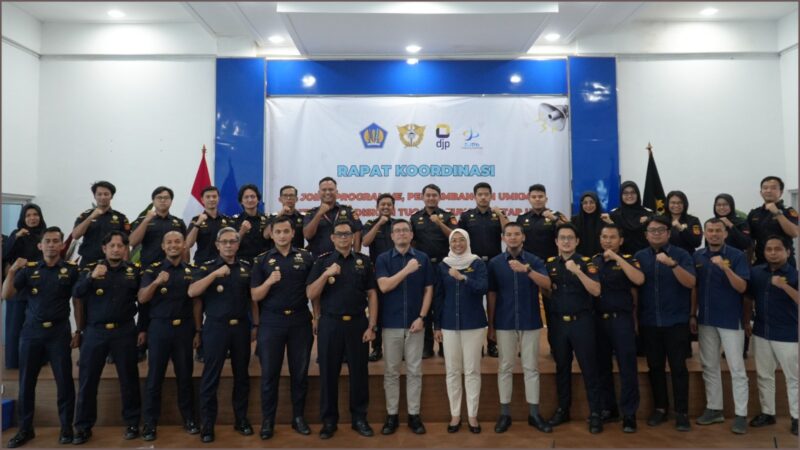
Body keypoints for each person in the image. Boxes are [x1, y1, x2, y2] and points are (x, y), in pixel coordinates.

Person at [3, 227, 79, 448]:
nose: (51, 245)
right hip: (32, 333)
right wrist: (11, 271)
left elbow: (78, 301)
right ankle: (25, 429)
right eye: (47, 241)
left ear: (62, 245)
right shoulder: (29, 270)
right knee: (26, 383)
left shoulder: (71, 270)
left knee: (64, 382)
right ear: (40, 245)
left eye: (56, 241)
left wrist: (79, 330)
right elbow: (6, 294)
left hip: (58, 333)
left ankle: (66, 428)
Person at [306, 221, 378, 439]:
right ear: (333, 238)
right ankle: (329, 421)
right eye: (340, 234)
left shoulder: (363, 261)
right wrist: (325, 274)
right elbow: (311, 293)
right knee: (328, 374)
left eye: (348, 234)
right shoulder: (322, 262)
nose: (344, 237)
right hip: (330, 323)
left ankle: (359, 418)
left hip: (358, 324)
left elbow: (372, 294)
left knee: (359, 373)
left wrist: (372, 325)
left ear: (353, 237)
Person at [71, 231, 144, 445]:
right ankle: (83, 427)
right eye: (112, 245)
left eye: (120, 246)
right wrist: (91, 277)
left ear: (125, 249)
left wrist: (142, 329)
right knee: (88, 381)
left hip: (125, 331)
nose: (116, 249)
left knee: (129, 380)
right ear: (104, 248)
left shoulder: (133, 271)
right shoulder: (90, 269)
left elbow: (144, 302)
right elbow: (77, 293)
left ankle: (132, 423)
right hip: (95, 332)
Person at [188, 227, 254, 443]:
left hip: (241, 328)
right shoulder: (207, 267)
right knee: (210, 377)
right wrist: (214, 274)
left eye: (232, 241)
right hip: (216, 328)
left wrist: (256, 325)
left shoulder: (246, 267)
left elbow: (252, 299)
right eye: (224, 242)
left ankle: (241, 419)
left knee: (242, 376)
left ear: (238, 244)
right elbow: (192, 292)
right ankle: (207, 425)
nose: (228, 245)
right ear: (217, 245)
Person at [251, 216, 315, 439]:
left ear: (292, 233)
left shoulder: (306, 257)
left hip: (300, 321)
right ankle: (268, 421)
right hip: (272, 322)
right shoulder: (261, 260)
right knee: (269, 374)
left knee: (300, 374)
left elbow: (313, 292)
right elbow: (255, 295)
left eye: (286, 231)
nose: (282, 235)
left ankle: (298, 418)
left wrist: (317, 317)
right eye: (277, 231)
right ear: (271, 234)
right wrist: (269, 282)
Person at [487, 223, 552, 434]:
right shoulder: (495, 263)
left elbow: (547, 284)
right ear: (503, 238)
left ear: (523, 237)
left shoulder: (535, 260)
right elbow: (492, 295)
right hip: (504, 322)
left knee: (531, 367)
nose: (513, 237)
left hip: (530, 321)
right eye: (509, 234)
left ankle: (534, 414)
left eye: (517, 234)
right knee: (505, 367)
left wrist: (528, 270)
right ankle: (504, 414)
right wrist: (491, 325)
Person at [635, 216, 696, 432]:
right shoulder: (640, 256)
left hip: (676, 321)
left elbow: (691, 282)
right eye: (652, 230)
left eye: (661, 230)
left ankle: (682, 412)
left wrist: (673, 264)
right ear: (646, 235)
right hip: (649, 321)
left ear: (669, 233)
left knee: (679, 368)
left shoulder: (681, 254)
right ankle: (660, 408)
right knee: (655, 367)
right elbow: (635, 290)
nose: (656, 233)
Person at [138, 231, 199, 441]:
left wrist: (198, 331)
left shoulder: (192, 271)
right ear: (163, 246)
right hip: (159, 329)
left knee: (185, 377)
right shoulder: (152, 270)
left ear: (183, 245)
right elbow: (142, 299)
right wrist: (156, 282)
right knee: (154, 378)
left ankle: (189, 419)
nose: (173, 245)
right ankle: (150, 423)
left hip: (184, 329)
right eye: (169, 242)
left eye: (177, 242)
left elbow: (197, 304)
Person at [374, 219, 433, 435]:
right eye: (397, 231)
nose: (401, 234)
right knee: (391, 371)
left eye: (405, 230)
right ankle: (392, 416)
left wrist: (422, 317)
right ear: (391, 236)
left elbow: (428, 289)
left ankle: (414, 415)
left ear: (411, 234)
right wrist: (407, 270)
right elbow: (384, 286)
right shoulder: (383, 259)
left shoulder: (423, 258)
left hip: (415, 324)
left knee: (414, 371)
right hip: (391, 323)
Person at [691, 218, 750, 434]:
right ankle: (714, 409)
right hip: (706, 319)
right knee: (709, 366)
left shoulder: (737, 256)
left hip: (730, 320)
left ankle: (741, 415)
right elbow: (694, 288)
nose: (714, 234)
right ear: (705, 233)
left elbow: (742, 287)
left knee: (737, 368)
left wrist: (726, 268)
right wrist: (693, 314)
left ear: (725, 233)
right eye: (710, 230)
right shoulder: (698, 256)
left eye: (718, 230)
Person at [544, 223, 604, 434]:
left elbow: (596, 290)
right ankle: (563, 409)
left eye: (570, 237)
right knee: (562, 368)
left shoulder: (587, 263)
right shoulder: (550, 264)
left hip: (582, 322)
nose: (566, 241)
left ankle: (595, 413)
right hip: (558, 324)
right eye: (562, 238)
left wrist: (577, 271)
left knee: (589, 368)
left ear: (577, 241)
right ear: (556, 242)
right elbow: (547, 292)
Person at [433, 229, 488, 434]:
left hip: (473, 324)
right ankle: (455, 414)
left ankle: (472, 415)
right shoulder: (443, 265)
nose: (457, 244)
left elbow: (482, 288)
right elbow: (438, 296)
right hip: (448, 324)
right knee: (452, 371)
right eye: (454, 240)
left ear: (468, 242)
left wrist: (463, 278)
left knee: (472, 370)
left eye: (461, 240)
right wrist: (436, 326)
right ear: (450, 243)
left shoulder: (477, 263)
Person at [593, 223, 644, 433]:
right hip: (598, 321)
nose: (608, 241)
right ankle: (609, 408)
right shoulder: (593, 261)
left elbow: (639, 279)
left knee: (627, 367)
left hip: (621, 320)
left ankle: (629, 414)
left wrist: (617, 258)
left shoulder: (629, 260)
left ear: (621, 240)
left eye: (612, 237)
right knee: (602, 367)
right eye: (604, 237)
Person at [746, 236, 798, 436]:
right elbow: (749, 298)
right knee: (764, 375)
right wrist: (746, 321)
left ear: (788, 252)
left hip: (788, 334)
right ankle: (768, 413)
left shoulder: (794, 274)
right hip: (762, 331)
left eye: (778, 249)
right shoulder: (757, 272)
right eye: (769, 249)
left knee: (793, 378)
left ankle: (797, 417)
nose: (773, 253)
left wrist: (785, 286)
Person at [458, 182, 508, 358]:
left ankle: (492, 342)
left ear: (491, 196)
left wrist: (500, 215)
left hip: (495, 264)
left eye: (486, 194)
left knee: (495, 305)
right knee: (474, 305)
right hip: (474, 265)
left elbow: (508, 232)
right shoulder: (466, 216)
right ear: (475, 196)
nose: (483, 197)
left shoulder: (498, 214)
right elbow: (459, 240)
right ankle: (476, 344)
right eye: (480, 194)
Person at [410, 184, 457, 359]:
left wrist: (439, 223)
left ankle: (445, 345)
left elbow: (455, 237)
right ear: (422, 197)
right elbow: (412, 242)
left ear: (439, 197)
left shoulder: (448, 216)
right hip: (423, 266)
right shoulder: (415, 218)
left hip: (444, 265)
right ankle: (427, 346)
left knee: (443, 303)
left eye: (434, 195)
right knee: (425, 303)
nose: (431, 198)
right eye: (428, 195)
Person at [3, 204, 47, 370]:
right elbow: (5, 254)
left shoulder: (45, 235)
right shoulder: (17, 234)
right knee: (15, 324)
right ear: (23, 218)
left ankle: (40, 359)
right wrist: (16, 237)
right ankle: (13, 361)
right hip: (19, 285)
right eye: (28, 215)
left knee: (38, 324)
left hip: (40, 285)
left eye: (35, 214)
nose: (32, 218)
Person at [362, 193, 398, 362]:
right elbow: (365, 242)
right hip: (376, 273)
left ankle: (398, 348)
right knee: (376, 311)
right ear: (377, 207)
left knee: (395, 309)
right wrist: (379, 224)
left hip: (396, 272)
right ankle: (376, 347)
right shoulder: (370, 224)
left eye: (389, 204)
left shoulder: (398, 224)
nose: (385, 207)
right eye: (382, 204)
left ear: (393, 207)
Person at [71, 181, 130, 266]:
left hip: (112, 262)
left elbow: (126, 244)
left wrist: (125, 265)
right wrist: (91, 217)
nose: (103, 197)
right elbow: (75, 235)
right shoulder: (85, 215)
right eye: (99, 194)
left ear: (111, 196)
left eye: (106, 194)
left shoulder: (121, 218)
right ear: (94, 196)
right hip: (88, 261)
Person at [747, 176, 799, 266]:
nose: (768, 191)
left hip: (784, 262)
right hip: (761, 262)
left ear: (781, 192)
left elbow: (794, 233)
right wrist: (748, 260)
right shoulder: (754, 213)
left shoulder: (788, 211)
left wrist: (777, 212)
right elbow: (749, 240)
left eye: (773, 188)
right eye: (765, 188)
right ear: (761, 192)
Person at [303, 177, 363, 256]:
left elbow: (358, 232)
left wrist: (356, 255)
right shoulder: (311, 213)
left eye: (331, 189)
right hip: (319, 259)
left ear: (336, 192)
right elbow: (308, 235)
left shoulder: (348, 211)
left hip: (344, 258)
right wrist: (319, 214)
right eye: (324, 190)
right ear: (319, 193)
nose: (328, 192)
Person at [129, 186, 187, 267]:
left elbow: (184, 247)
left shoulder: (179, 222)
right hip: (148, 267)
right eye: (159, 198)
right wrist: (146, 221)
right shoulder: (142, 220)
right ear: (153, 201)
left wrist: (185, 267)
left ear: (171, 201)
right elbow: (132, 242)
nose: (163, 200)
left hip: (173, 267)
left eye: (166, 198)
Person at [186, 186, 231, 264]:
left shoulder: (227, 220)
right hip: (202, 262)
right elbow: (188, 244)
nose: (211, 199)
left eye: (214, 196)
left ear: (218, 199)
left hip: (223, 262)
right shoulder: (196, 220)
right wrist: (198, 224)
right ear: (202, 200)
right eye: (208, 197)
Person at [609, 181, 652, 255]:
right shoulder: (614, 215)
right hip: (620, 256)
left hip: (644, 256)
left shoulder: (648, 214)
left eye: (633, 192)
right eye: (625, 193)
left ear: (637, 194)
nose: (629, 196)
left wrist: (649, 220)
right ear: (621, 195)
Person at [233, 184, 271, 262]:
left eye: (253, 196)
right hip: (242, 262)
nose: (250, 200)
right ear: (241, 201)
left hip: (264, 262)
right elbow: (231, 245)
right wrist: (242, 232)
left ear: (258, 199)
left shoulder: (267, 220)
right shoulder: (234, 220)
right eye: (246, 197)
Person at [266, 185, 306, 250]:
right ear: (280, 199)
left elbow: (311, 237)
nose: (288, 198)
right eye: (285, 195)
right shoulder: (273, 217)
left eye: (291, 195)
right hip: (276, 254)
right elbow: (266, 235)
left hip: (297, 254)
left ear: (296, 199)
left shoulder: (303, 217)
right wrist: (279, 215)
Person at [571, 191, 608, 257]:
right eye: (585, 203)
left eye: (591, 202)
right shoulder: (574, 220)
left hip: (601, 257)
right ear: (581, 205)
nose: (588, 205)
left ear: (596, 203)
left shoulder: (604, 219)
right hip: (580, 258)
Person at [666, 191, 702, 255]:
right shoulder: (661, 220)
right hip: (665, 256)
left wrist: (681, 229)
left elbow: (697, 242)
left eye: (680, 203)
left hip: (687, 257)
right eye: (673, 203)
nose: (676, 205)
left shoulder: (693, 220)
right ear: (667, 204)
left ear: (684, 204)